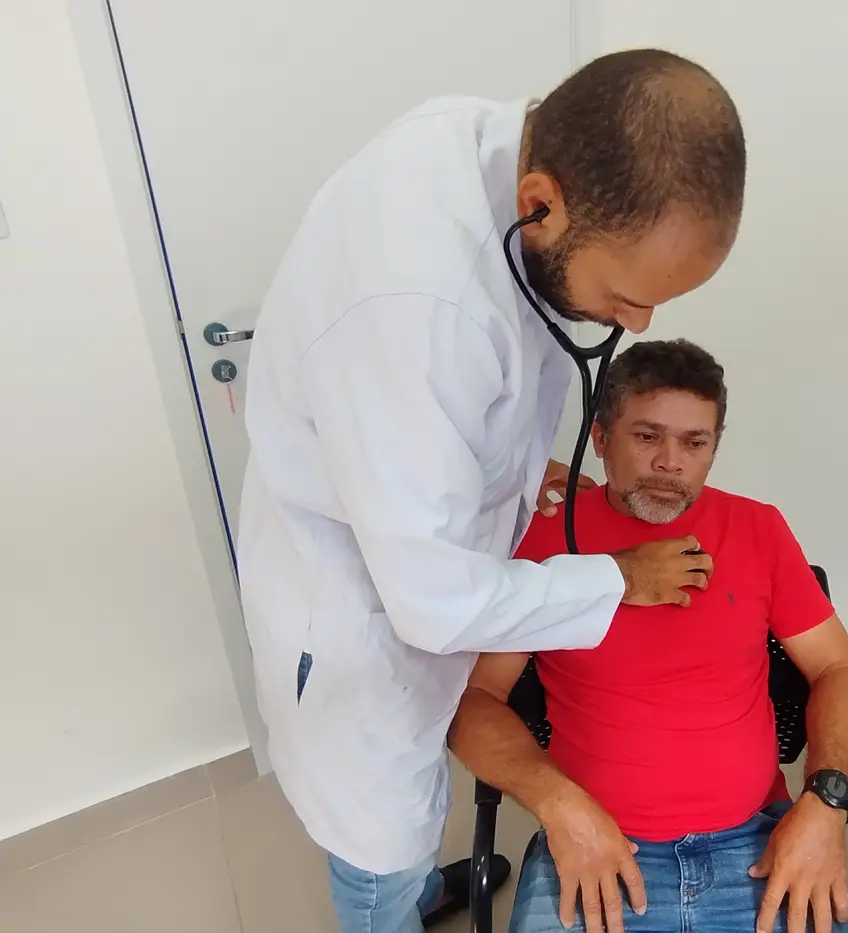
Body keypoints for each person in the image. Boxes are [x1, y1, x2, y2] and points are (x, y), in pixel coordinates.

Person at [236, 50, 745, 933]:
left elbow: (453, 401)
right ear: (541, 203)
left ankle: (413, 882)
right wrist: (618, 577)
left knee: (415, 804)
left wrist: (498, 465)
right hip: (355, 614)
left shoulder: (489, 151)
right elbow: (432, 601)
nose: (638, 324)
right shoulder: (415, 304)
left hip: (403, 535)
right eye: (625, 296)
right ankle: (391, 902)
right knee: (379, 841)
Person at [449, 340, 848, 933]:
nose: (670, 463)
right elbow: (473, 701)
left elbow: (839, 669)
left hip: (757, 838)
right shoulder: (545, 538)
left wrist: (826, 803)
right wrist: (558, 804)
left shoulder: (758, 529)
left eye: (694, 443)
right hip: (597, 839)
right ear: (601, 440)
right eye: (647, 436)